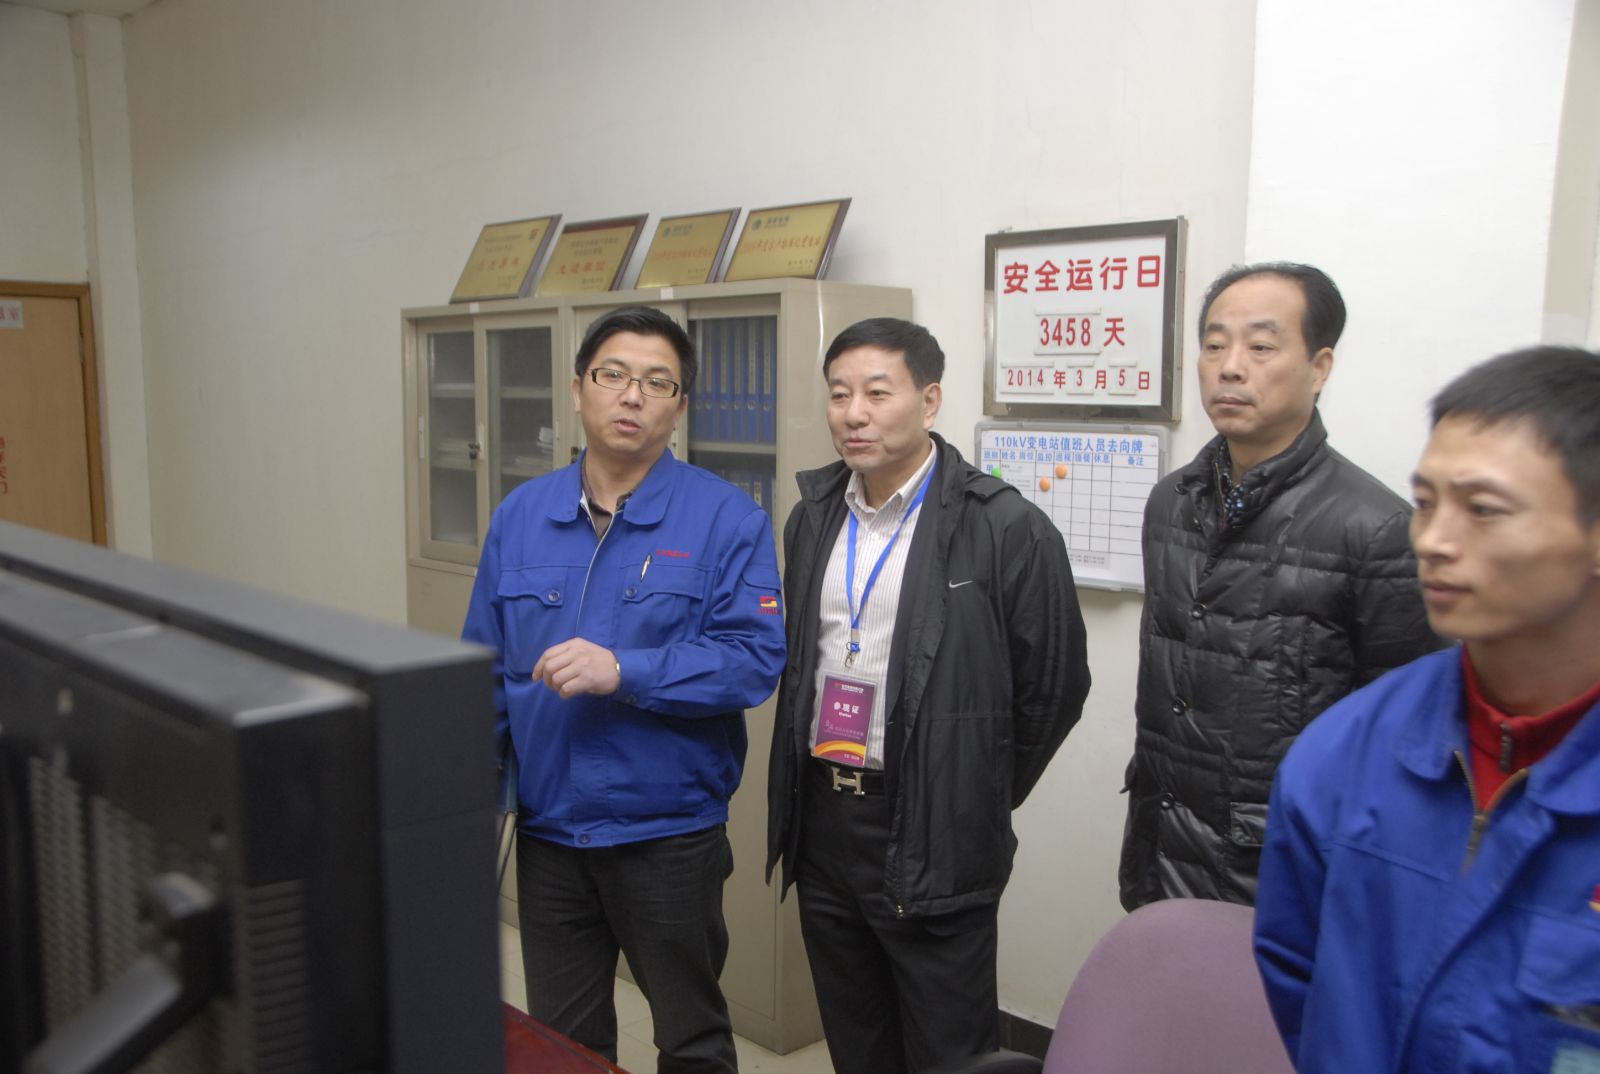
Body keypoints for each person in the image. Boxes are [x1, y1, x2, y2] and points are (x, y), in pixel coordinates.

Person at [1254, 346, 1600, 1072]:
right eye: (1425, 503)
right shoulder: (1343, 754)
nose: (1435, 542)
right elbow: (1301, 987)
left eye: (1484, 510)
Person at [462, 305, 785, 1074]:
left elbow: (752, 659)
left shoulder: (727, 519)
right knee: (564, 1045)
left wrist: (627, 670)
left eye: (656, 381)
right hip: (550, 835)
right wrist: (472, 801)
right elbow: (483, 675)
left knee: (692, 1040)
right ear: (579, 390)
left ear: (680, 405)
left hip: (668, 836)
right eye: (613, 375)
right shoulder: (520, 517)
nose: (632, 395)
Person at [765, 317, 1090, 1074]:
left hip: (934, 825)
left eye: (878, 393)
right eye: (839, 394)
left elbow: (1055, 689)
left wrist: (970, 787)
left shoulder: (1006, 526)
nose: (854, 413)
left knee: (950, 1051)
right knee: (857, 1039)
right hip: (825, 819)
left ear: (930, 400)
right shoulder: (813, 516)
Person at [1119, 262, 1436, 910]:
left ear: (1319, 368)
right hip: (1162, 846)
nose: (1230, 367)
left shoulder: (1377, 529)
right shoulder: (1171, 502)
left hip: (1282, 877)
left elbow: (1405, 748)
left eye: (1261, 347)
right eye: (1214, 345)